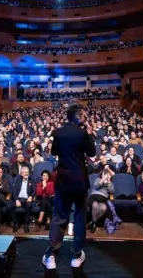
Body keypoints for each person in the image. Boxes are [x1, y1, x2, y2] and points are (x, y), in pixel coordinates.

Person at [43, 104, 96, 271]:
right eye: (83, 115)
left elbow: (54, 152)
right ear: (77, 117)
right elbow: (92, 153)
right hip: (79, 181)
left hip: (63, 181)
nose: (85, 117)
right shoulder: (83, 133)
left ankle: (51, 256)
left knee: (59, 216)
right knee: (79, 217)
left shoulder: (58, 132)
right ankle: (76, 255)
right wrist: (88, 133)